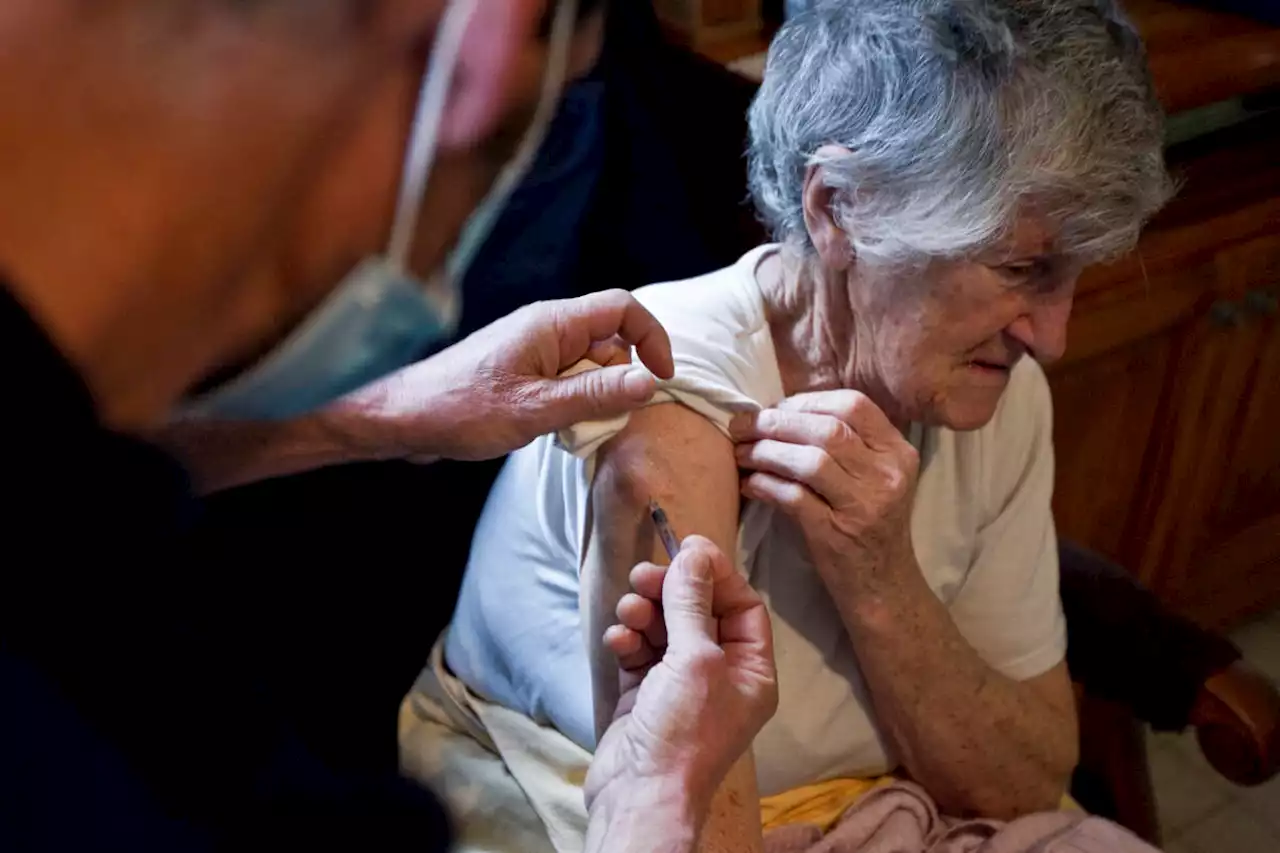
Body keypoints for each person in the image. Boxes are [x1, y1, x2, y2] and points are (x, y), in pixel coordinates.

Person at [0, 1, 777, 851]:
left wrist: (381, 416)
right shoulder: (151, 769)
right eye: (525, 143)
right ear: (486, 48)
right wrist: (650, 803)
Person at [433, 0, 1174, 846]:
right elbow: (695, 827)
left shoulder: (988, 383)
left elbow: (1029, 780)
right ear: (839, 210)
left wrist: (881, 577)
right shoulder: (666, 411)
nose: (1054, 335)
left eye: (1071, 273)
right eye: (1021, 267)